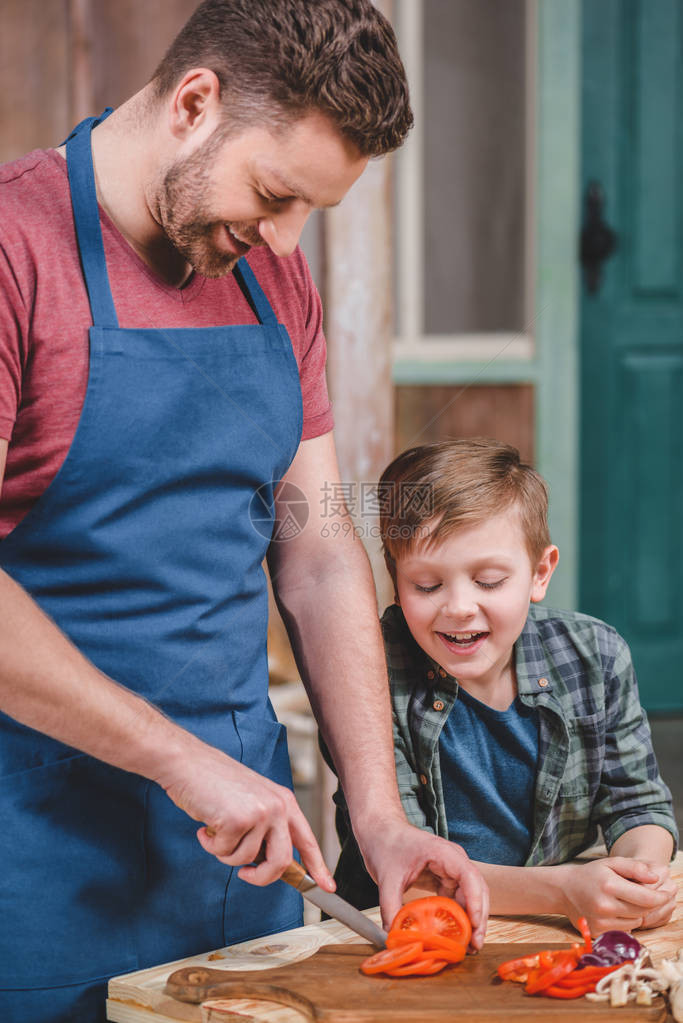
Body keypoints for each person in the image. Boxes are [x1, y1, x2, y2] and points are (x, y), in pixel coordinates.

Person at [0, 3, 488, 1020]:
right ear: (194, 102)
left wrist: (376, 817)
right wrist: (179, 762)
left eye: (310, 211)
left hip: (247, 863)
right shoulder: (17, 249)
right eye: (273, 194)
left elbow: (313, 548)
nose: (281, 238)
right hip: (35, 857)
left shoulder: (270, 273)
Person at [328, 438, 678, 935]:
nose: (458, 607)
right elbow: (407, 868)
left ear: (539, 573)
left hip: (543, 926)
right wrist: (565, 891)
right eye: (426, 585)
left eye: (489, 580)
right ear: (395, 579)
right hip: (395, 932)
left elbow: (638, 805)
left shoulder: (596, 656)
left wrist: (637, 878)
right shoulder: (367, 672)